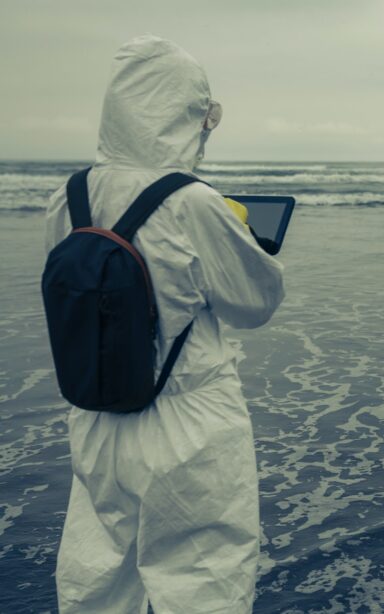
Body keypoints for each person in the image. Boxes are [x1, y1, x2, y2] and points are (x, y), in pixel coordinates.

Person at [45, 35, 285, 612]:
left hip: (97, 414)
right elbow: (254, 302)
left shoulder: (68, 194)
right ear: (185, 112)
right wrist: (240, 231)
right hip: (187, 420)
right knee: (202, 577)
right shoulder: (192, 201)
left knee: (98, 571)